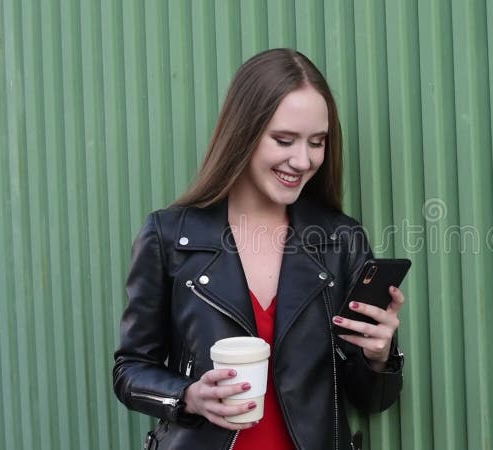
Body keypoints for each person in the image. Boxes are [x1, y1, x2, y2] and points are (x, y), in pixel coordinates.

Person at [113, 48, 405, 450]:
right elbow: (131, 369)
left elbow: (372, 399)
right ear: (244, 133)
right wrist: (188, 397)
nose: (302, 160)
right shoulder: (168, 236)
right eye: (284, 140)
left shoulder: (341, 240)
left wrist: (380, 357)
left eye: (317, 142)